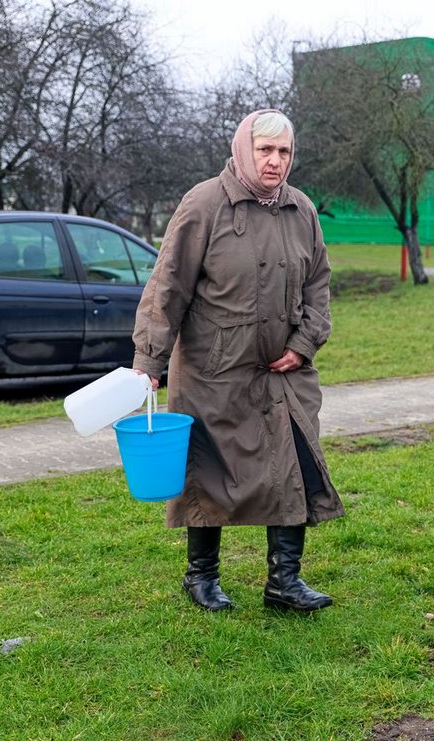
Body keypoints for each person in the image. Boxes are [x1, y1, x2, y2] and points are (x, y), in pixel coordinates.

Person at [131, 109, 343, 614]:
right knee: (207, 471)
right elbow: (168, 287)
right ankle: (201, 577)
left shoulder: (302, 210)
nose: (275, 161)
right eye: (265, 150)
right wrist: (149, 359)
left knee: (290, 464)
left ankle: (284, 582)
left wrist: (304, 343)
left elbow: (319, 286)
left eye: (284, 152)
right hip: (213, 372)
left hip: (284, 373)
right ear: (244, 149)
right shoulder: (204, 204)